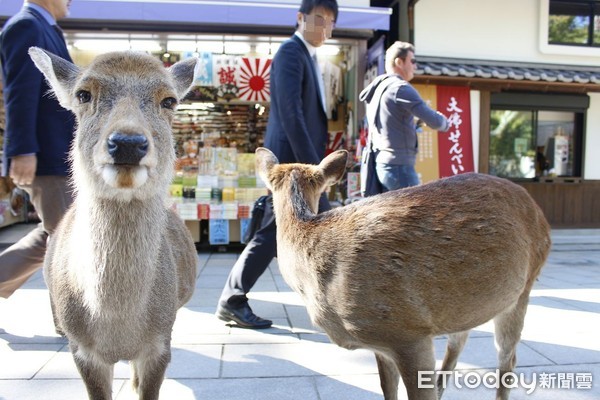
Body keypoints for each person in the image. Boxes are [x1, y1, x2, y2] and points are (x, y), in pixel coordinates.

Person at [215, 0, 338, 329]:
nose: (325, 28)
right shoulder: (290, 53)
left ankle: (236, 298)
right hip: (293, 167)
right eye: (319, 19)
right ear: (301, 18)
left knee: (277, 231)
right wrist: (314, 169)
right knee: (275, 232)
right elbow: (290, 113)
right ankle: (233, 299)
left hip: (296, 166)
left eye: (330, 23)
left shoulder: (305, 56)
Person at [0, 0, 75, 298]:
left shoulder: (44, 27)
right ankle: (72, 321)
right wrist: (23, 151)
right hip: (46, 156)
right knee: (64, 239)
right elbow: (20, 92)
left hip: (57, 155)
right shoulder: (27, 25)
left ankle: (72, 321)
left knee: (57, 235)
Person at [359, 41, 450, 192]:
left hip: (382, 163)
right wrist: (444, 121)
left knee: (390, 215)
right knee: (418, 212)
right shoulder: (400, 88)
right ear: (399, 62)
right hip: (399, 168)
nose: (415, 66)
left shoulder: (379, 88)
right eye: (412, 61)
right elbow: (436, 122)